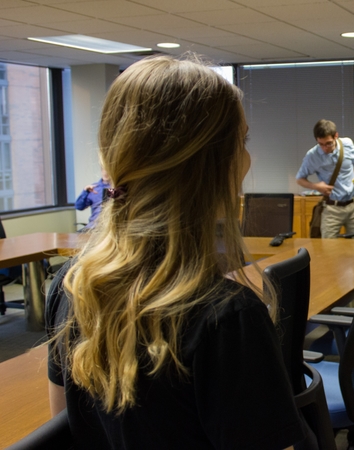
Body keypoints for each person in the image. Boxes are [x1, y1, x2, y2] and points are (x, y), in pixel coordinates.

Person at [46, 56, 305, 449]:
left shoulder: (70, 287)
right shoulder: (228, 319)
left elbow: (63, 431)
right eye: (242, 142)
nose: (248, 160)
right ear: (206, 165)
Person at [296, 119, 354, 238]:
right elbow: (300, 179)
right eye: (321, 144)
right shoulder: (312, 156)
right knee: (328, 249)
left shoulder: (347, 144)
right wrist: (316, 186)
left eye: (328, 143)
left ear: (336, 136)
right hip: (332, 208)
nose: (325, 148)